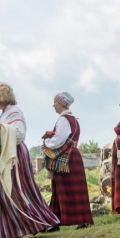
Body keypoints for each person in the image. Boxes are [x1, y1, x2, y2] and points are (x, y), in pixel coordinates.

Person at [0, 82, 60, 238]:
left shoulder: (14, 112)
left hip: (14, 154)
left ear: (2, 97)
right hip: (6, 154)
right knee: (3, 191)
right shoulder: (5, 113)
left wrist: (1, 128)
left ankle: (39, 221)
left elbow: (19, 134)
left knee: (17, 190)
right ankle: (8, 230)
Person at [42, 92, 93, 230]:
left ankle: (58, 221)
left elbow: (59, 139)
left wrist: (47, 141)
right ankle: (60, 220)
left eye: (55, 102)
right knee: (72, 189)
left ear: (62, 104)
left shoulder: (63, 119)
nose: (53, 105)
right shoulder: (73, 119)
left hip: (66, 157)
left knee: (63, 188)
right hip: (74, 155)